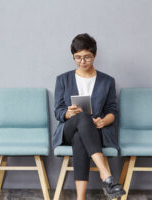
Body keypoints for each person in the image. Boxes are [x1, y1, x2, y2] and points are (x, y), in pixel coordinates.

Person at [53, 33, 125, 200]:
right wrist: (67, 113)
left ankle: (80, 198)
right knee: (82, 119)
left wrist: (104, 120)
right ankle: (106, 174)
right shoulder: (63, 79)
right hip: (68, 129)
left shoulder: (107, 81)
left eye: (87, 57)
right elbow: (58, 111)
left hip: (95, 131)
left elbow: (112, 111)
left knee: (81, 137)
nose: (82, 62)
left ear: (95, 55)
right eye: (77, 58)